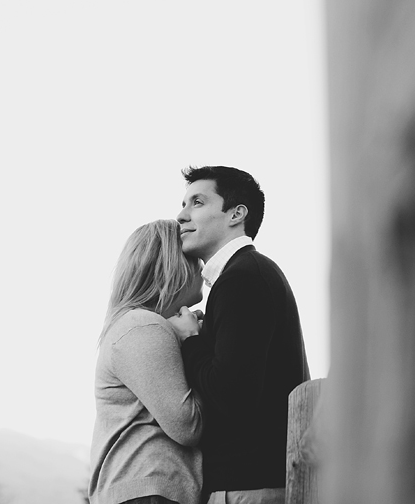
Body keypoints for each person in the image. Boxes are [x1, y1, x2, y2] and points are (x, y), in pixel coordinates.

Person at [168, 166, 310, 504]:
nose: (181, 216)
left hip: (248, 488)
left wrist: (191, 340)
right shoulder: (246, 274)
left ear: (236, 214)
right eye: (184, 204)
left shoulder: (243, 279)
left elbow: (231, 394)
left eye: (197, 202)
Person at [89, 219, 206, 504]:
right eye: (193, 257)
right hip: (149, 490)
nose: (202, 265)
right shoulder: (143, 326)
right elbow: (188, 426)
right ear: (174, 265)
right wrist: (195, 343)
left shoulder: (139, 326)